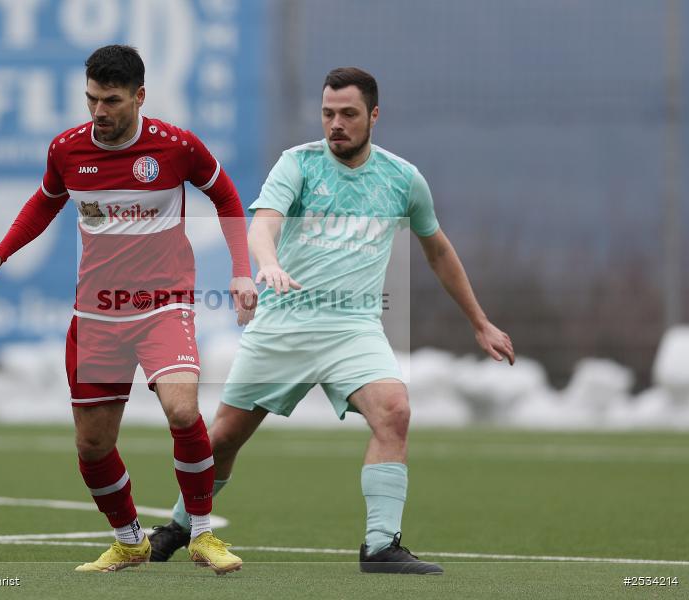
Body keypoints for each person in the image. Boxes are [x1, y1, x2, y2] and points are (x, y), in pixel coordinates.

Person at [149, 67, 514, 574]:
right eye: (327, 113)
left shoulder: (403, 179)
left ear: (374, 116)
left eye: (348, 114)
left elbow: (438, 251)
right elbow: (264, 226)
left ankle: (381, 545)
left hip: (353, 329)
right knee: (225, 437)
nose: (336, 124)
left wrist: (480, 322)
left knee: (394, 412)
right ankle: (180, 525)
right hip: (284, 323)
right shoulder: (297, 164)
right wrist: (269, 264)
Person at [0, 45, 257, 575]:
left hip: (163, 306)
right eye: (91, 98)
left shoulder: (176, 146)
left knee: (184, 412)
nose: (99, 111)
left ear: (139, 96)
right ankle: (128, 541)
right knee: (93, 445)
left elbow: (228, 198)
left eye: (112, 100)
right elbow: (45, 200)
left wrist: (240, 271)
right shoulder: (67, 149)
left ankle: (203, 535)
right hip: (97, 316)